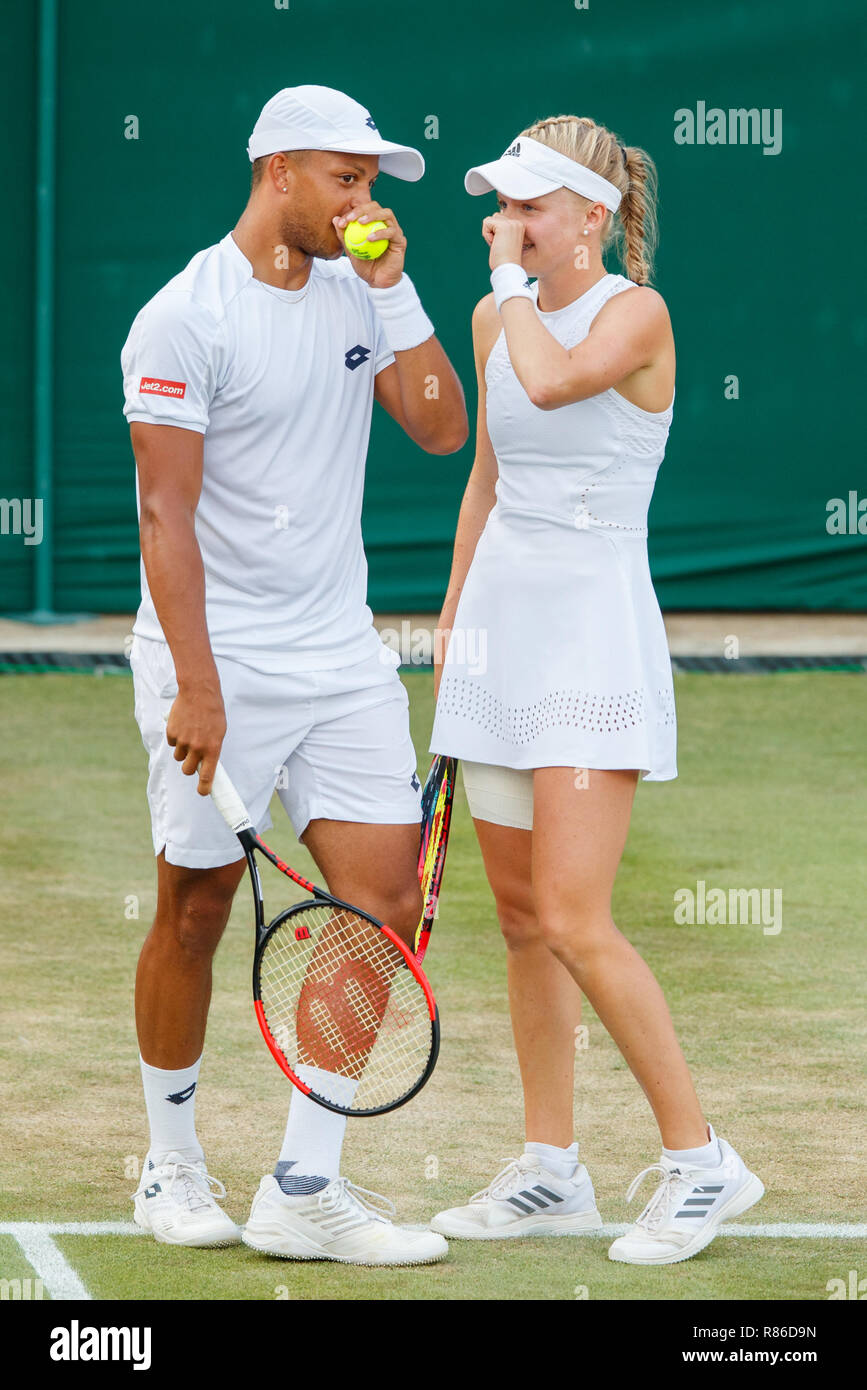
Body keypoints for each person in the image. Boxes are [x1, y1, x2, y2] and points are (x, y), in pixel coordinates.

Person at [120, 84, 468, 1266]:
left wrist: (394, 288)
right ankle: (168, 1166)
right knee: (196, 907)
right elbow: (165, 515)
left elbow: (439, 429)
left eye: (371, 182)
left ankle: (303, 1185)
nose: (363, 202)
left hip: (342, 658)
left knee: (381, 904)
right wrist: (198, 685)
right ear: (278, 173)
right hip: (215, 657)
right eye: (345, 179)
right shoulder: (185, 317)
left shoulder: (360, 293)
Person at [427, 115, 763, 1264]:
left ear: (592, 217)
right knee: (522, 921)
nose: (508, 221)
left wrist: (505, 283)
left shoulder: (634, 315)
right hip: (502, 635)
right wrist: (454, 622)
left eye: (529, 204)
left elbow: (558, 381)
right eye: (504, 202)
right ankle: (550, 1167)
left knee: (574, 913)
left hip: (593, 643)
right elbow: (487, 476)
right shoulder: (492, 314)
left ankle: (700, 1160)